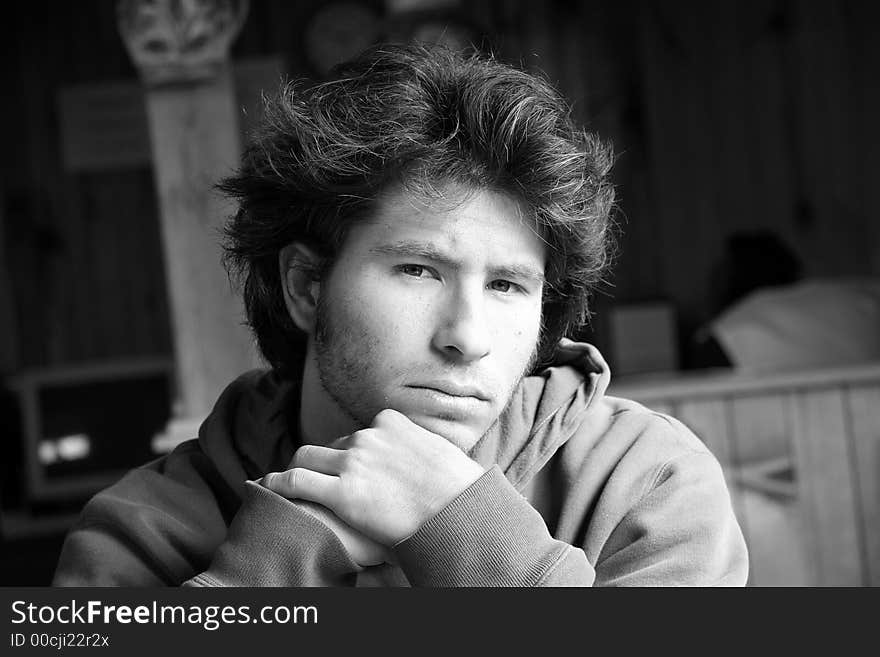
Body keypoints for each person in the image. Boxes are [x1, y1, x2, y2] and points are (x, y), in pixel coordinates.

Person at [53, 44, 748, 587]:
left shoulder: (646, 482)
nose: (467, 337)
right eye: (418, 270)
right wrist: (289, 550)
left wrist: (466, 531)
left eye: (507, 285)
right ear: (304, 285)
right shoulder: (139, 530)